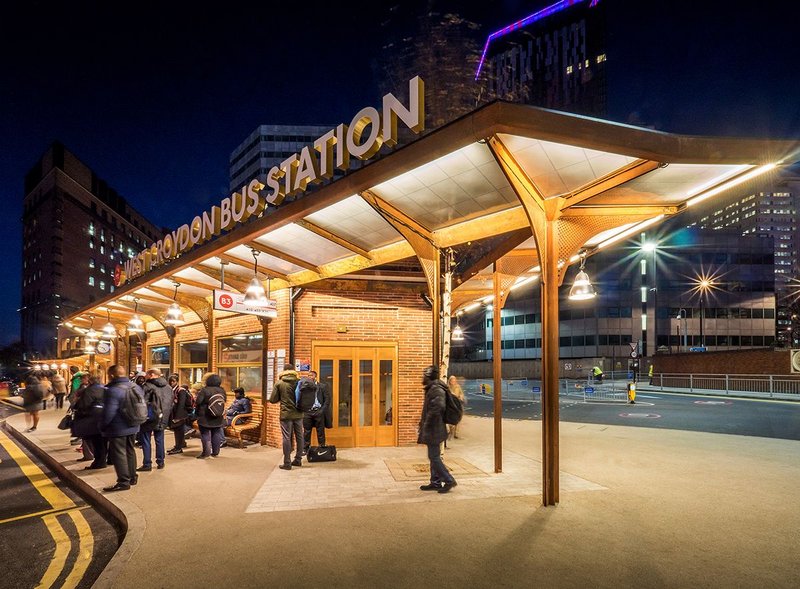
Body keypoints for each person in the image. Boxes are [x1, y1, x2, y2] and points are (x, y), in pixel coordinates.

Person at [418, 365, 457, 494]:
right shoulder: (432, 388)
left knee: (434, 457)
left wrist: (427, 424)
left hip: (435, 428)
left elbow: (438, 407)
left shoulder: (436, 389)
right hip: (433, 428)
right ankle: (435, 482)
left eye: (424, 375)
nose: (422, 377)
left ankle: (449, 480)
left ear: (429, 376)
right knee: (433, 456)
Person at [101, 365, 140, 492]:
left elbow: (109, 412)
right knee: (130, 450)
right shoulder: (135, 387)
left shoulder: (113, 390)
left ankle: (123, 482)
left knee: (119, 453)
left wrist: (102, 425)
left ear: (112, 375)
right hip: (134, 424)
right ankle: (132, 477)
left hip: (118, 426)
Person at [136, 368, 174, 471]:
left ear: (152, 375)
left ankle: (147, 464)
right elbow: (171, 403)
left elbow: (141, 402)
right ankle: (161, 462)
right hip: (162, 417)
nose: (145, 376)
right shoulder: (168, 388)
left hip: (150, 418)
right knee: (160, 440)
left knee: (145, 440)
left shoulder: (147, 386)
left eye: (147, 375)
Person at [269, 363, 303, 470]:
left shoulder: (280, 383)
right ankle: (298, 459)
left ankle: (287, 462)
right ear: (293, 371)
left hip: (286, 414)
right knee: (300, 436)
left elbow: (273, 400)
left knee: (286, 437)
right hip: (299, 413)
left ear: (283, 371)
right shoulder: (299, 382)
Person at [71, 374, 107, 470]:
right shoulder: (105, 388)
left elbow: (83, 405)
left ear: (90, 381)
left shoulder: (89, 391)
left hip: (92, 419)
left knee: (96, 442)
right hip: (104, 418)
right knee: (103, 441)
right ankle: (103, 460)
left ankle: (99, 461)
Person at [195, 373, 226, 459]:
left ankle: (206, 453)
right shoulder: (222, 390)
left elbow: (198, 402)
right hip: (218, 416)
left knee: (205, 435)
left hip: (205, 416)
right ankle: (215, 452)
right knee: (216, 433)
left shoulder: (205, 390)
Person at [298, 370, 329, 455]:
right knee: (307, 431)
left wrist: (322, 410)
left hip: (318, 411)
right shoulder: (305, 387)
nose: (309, 377)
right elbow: (300, 399)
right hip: (307, 412)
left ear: (315, 376)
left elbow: (327, 400)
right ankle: (305, 448)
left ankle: (322, 447)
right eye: (308, 375)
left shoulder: (322, 386)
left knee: (320, 431)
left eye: (311, 375)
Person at [167, 373, 193, 455]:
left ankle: (178, 447)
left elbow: (181, 404)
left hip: (180, 414)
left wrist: (177, 417)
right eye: (170, 381)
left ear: (177, 381)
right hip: (175, 413)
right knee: (178, 431)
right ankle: (179, 445)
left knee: (179, 431)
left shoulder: (181, 390)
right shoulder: (173, 389)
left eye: (173, 381)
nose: (171, 383)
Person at [446, 375, 466, 441]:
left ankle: (456, 434)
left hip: (458, 404)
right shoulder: (447, 387)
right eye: (452, 380)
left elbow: (461, 394)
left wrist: (461, 396)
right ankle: (450, 432)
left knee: (458, 419)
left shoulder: (458, 387)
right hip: (451, 405)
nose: (453, 381)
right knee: (451, 419)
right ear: (450, 381)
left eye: (454, 380)